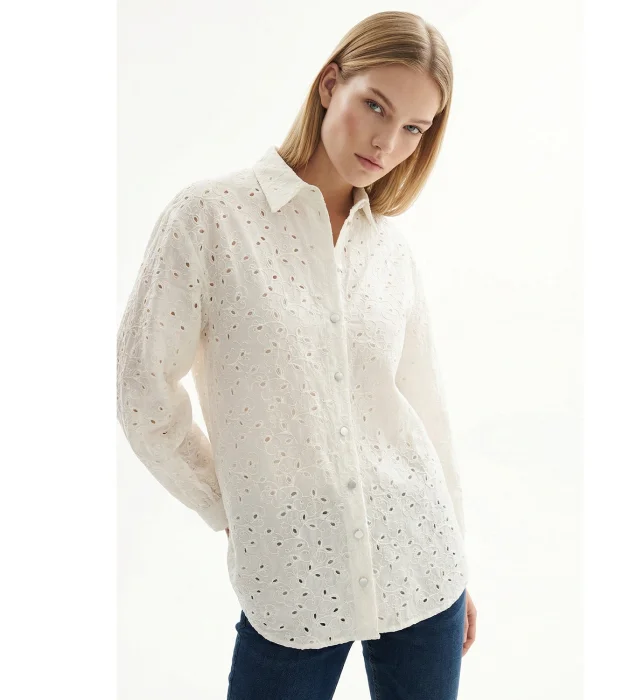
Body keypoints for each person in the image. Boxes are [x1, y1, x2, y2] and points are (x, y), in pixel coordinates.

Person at [117, 9, 477, 700]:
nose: (387, 142)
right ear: (329, 84)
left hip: (422, 565)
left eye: (414, 128)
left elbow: (427, 412)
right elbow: (142, 394)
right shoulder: (210, 218)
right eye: (376, 106)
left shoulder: (390, 252)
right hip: (290, 582)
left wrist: (460, 561)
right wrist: (229, 504)